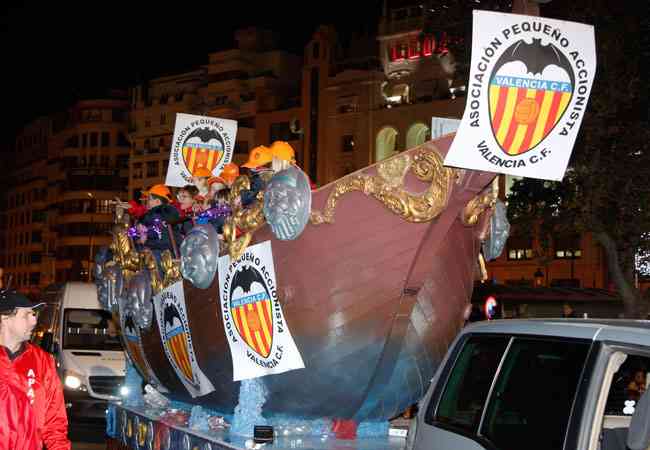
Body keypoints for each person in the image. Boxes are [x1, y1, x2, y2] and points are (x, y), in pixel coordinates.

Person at [0, 290, 70, 450]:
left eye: (34, 314)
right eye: (27, 315)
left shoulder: (42, 361)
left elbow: (54, 422)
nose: (34, 321)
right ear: (4, 318)